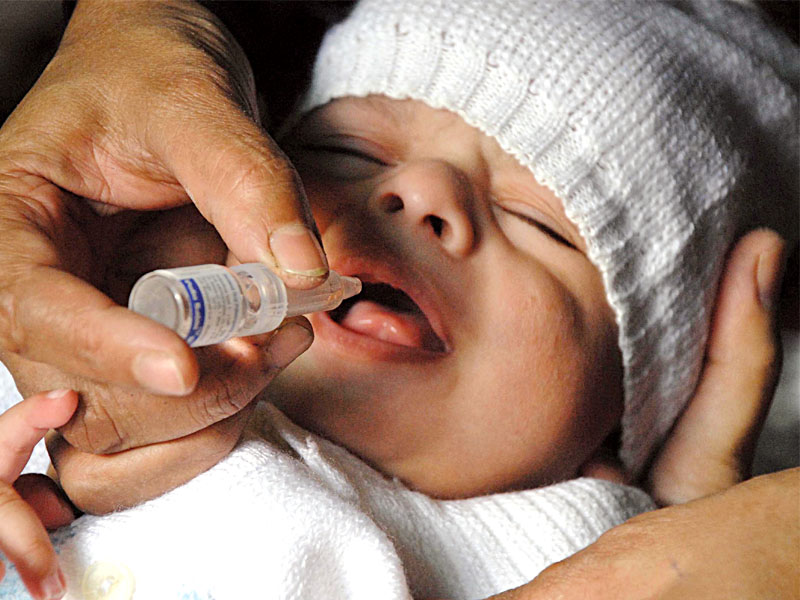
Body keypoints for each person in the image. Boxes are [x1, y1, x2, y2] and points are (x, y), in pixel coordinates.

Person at [0, 0, 797, 598]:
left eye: (540, 225)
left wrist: (673, 515)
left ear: (622, 416)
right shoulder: (63, 329)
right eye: (344, 151)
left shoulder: (590, 555)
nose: (420, 189)